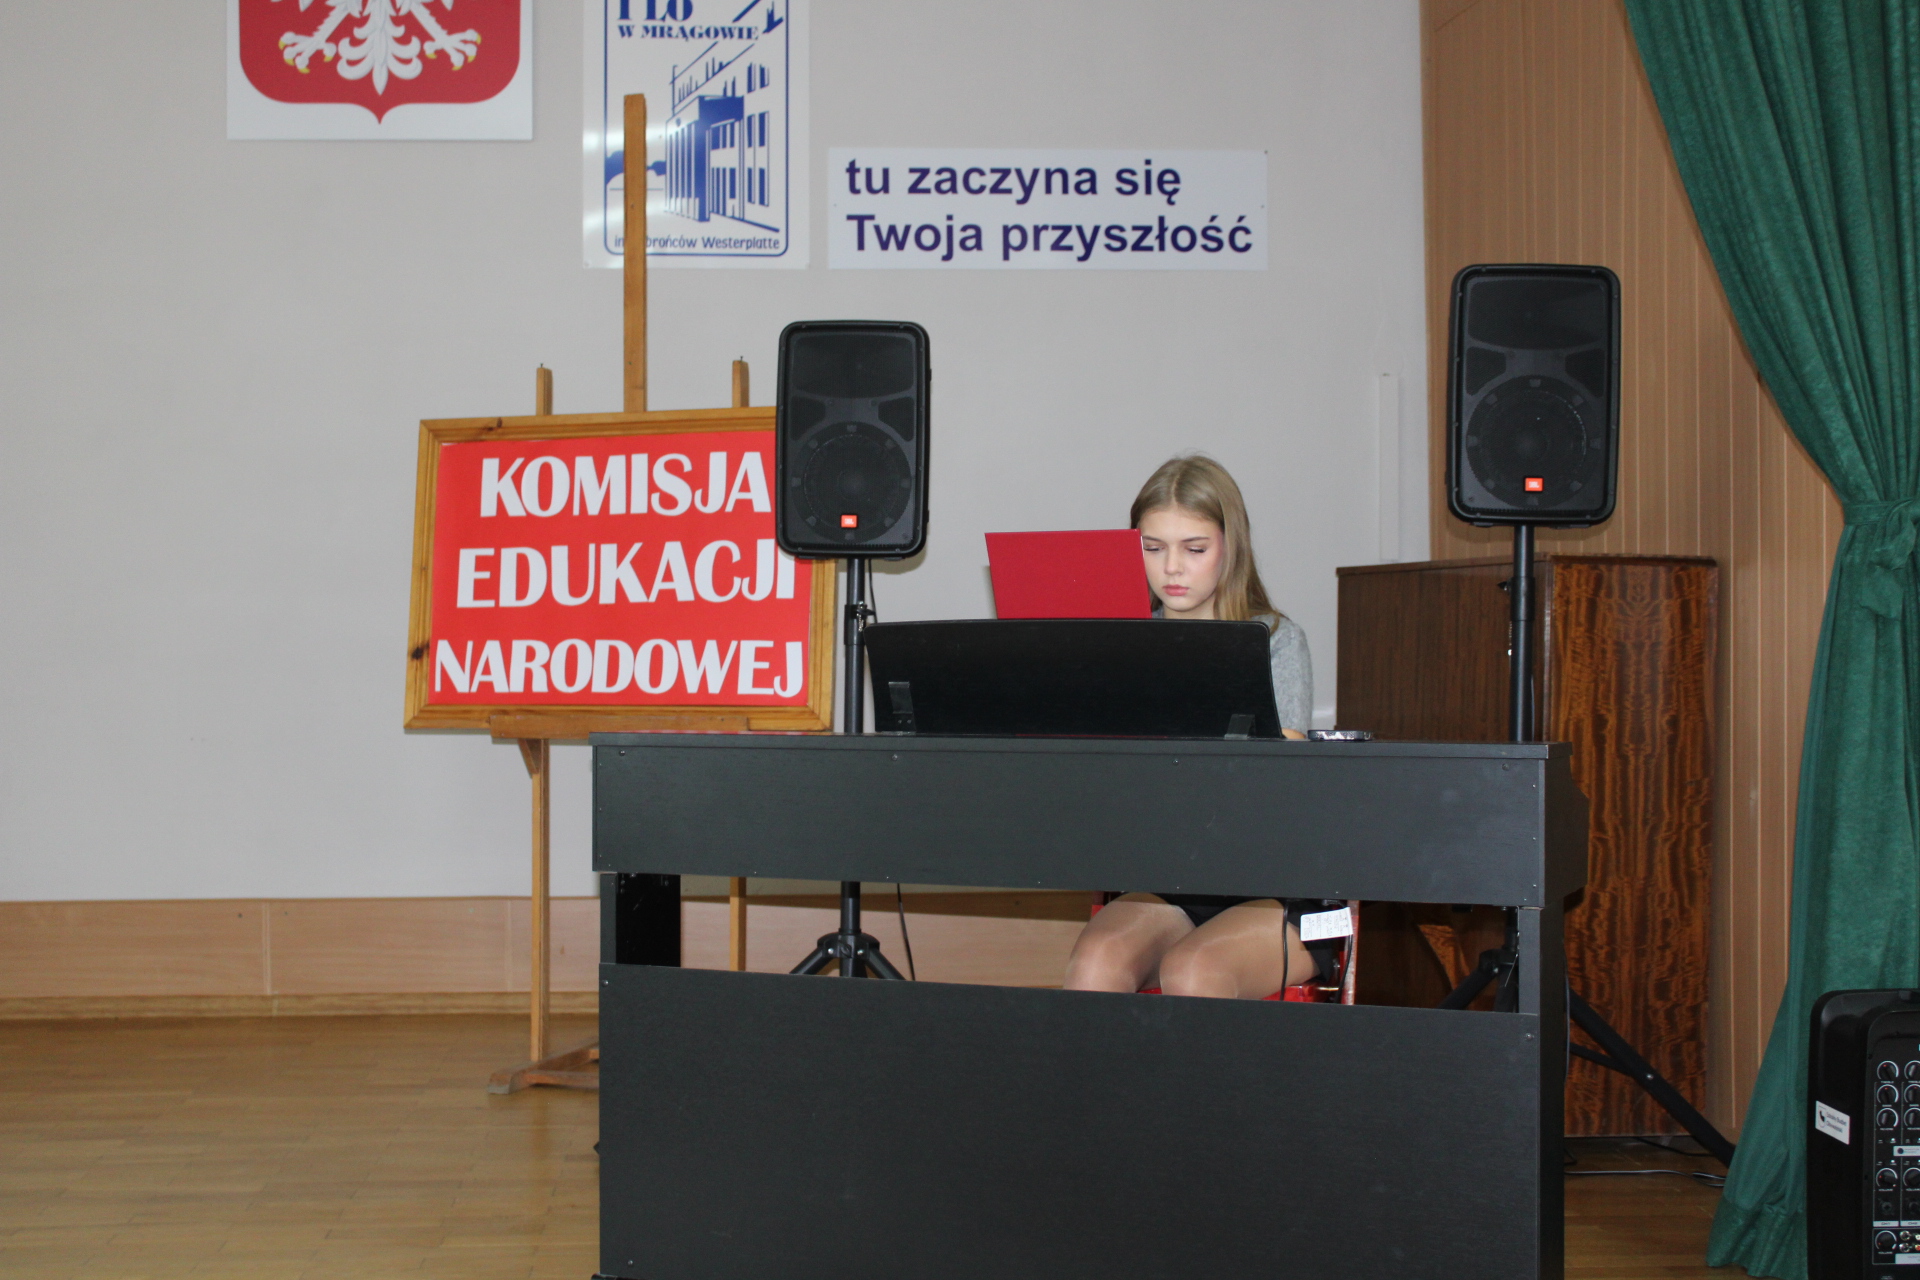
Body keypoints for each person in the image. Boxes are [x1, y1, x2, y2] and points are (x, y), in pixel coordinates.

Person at [1062, 453, 1324, 999]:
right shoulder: (1119, 645)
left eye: (1195, 549)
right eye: (1152, 548)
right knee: (1096, 961)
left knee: (1195, 971)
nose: (1172, 569)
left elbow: (1282, 787)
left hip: (1273, 883)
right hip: (1171, 876)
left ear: (1231, 547)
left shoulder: (1274, 639)